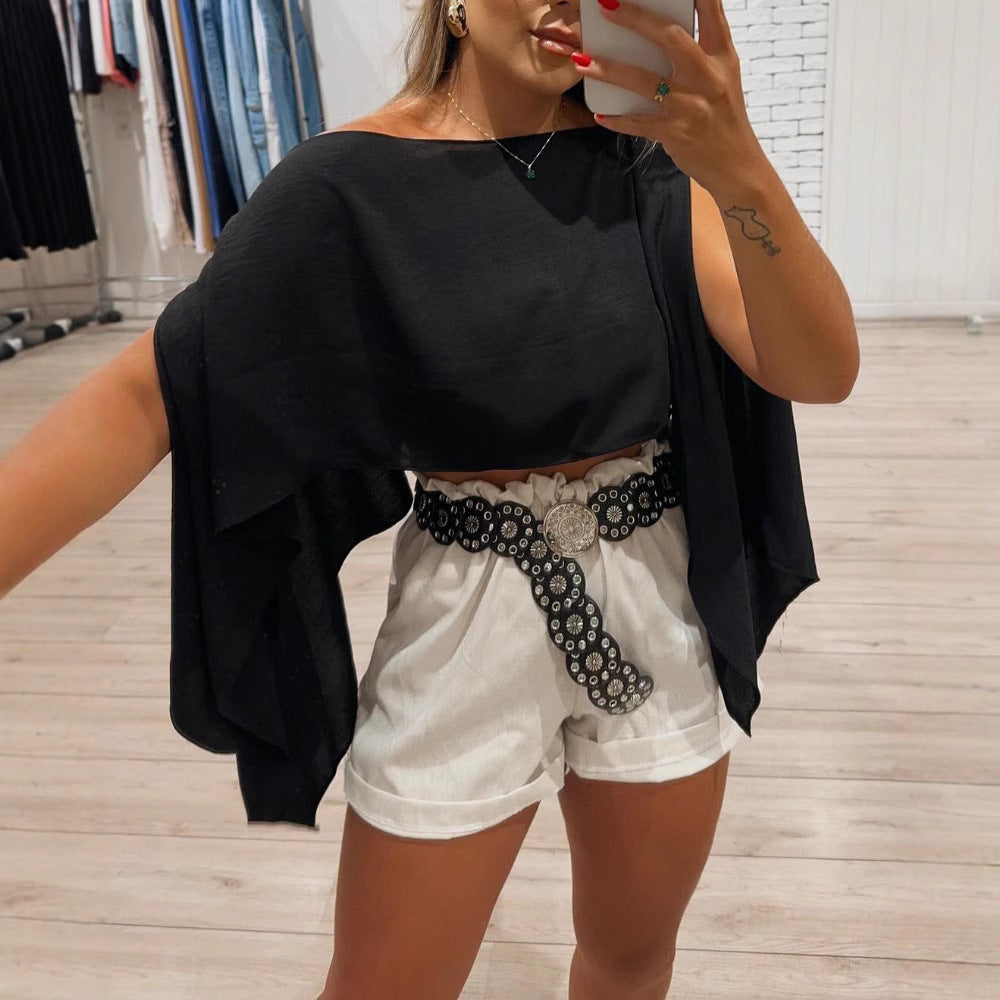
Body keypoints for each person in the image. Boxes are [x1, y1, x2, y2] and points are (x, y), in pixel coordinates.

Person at [0, 2, 857, 998]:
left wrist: (738, 163)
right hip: (468, 621)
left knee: (630, 958)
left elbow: (818, 369)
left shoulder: (655, 163)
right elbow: (152, 393)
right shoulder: (344, 185)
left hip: (654, 596)